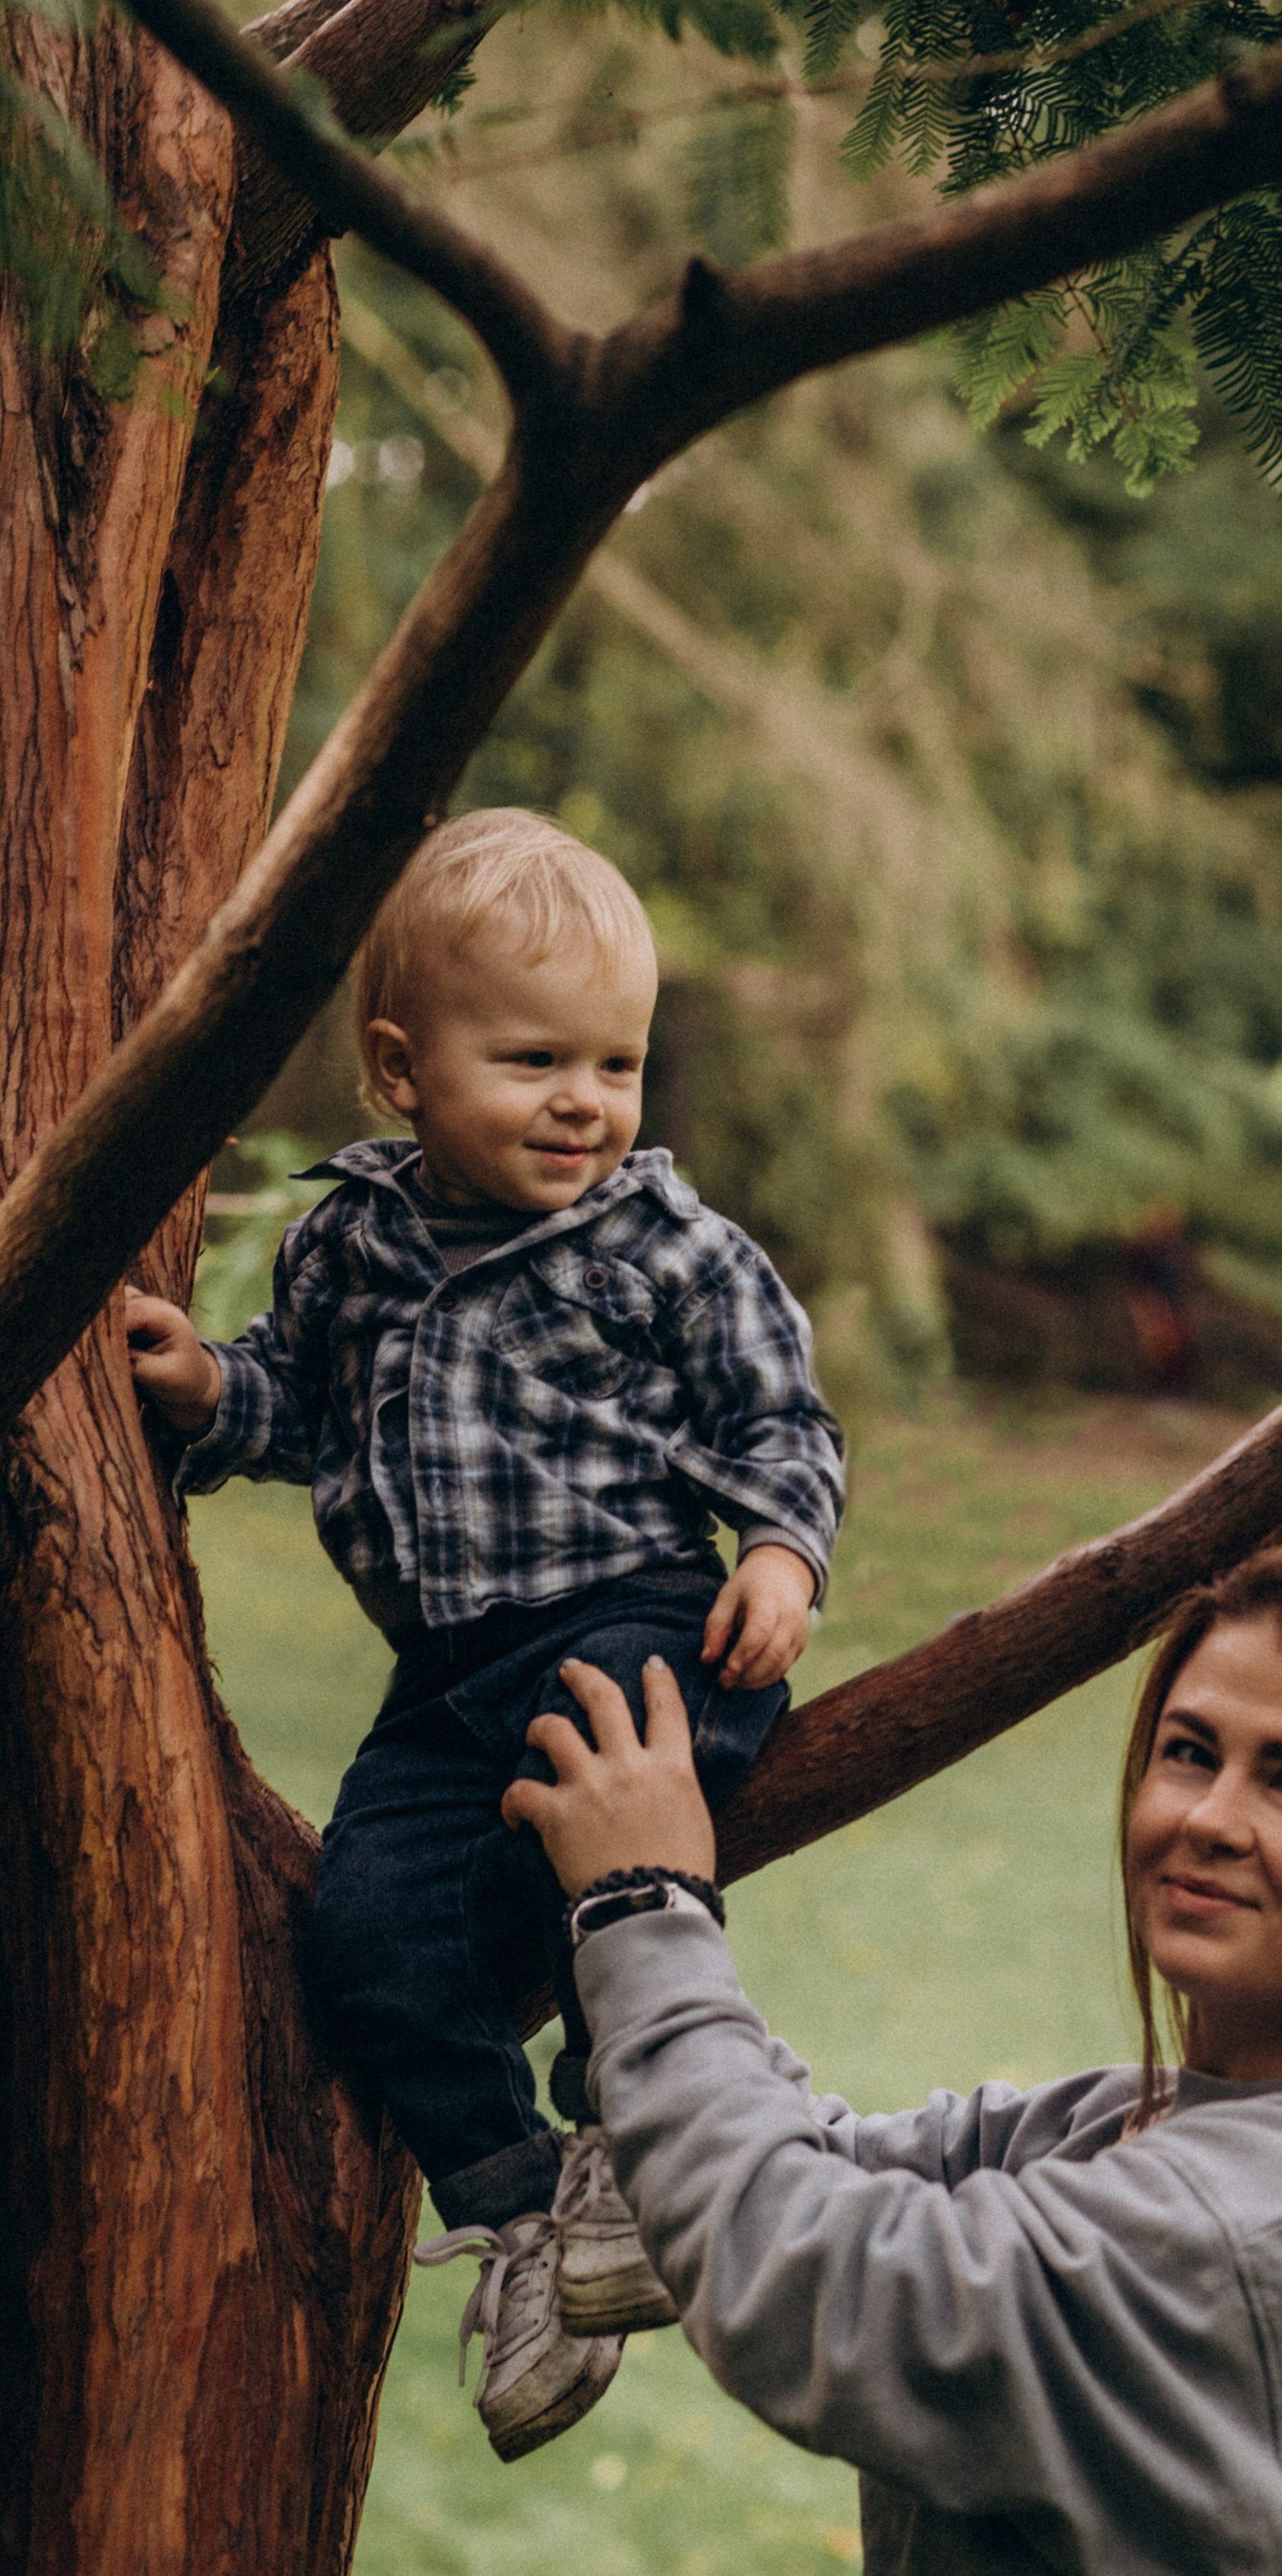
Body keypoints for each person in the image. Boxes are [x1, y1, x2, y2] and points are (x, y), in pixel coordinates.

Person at [508, 1540, 1282, 2576]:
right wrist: (641, 1995)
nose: (1209, 1818)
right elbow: (805, 2167)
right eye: (1190, 1752)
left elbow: (824, 2290)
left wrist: (642, 1908)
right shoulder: (1176, 2132)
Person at [123, 808, 845, 2462]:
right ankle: (517, 2209)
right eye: (532, 1059)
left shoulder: (668, 1248)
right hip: (447, 1686)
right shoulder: (348, 1248)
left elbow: (778, 1419)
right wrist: (203, 1390)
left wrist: (785, 1554)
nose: (584, 1100)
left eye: (615, 1060)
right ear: (401, 1069)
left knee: (619, 1834)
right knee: (366, 1927)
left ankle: (627, 2139)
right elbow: (296, 1405)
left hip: (634, 1618)